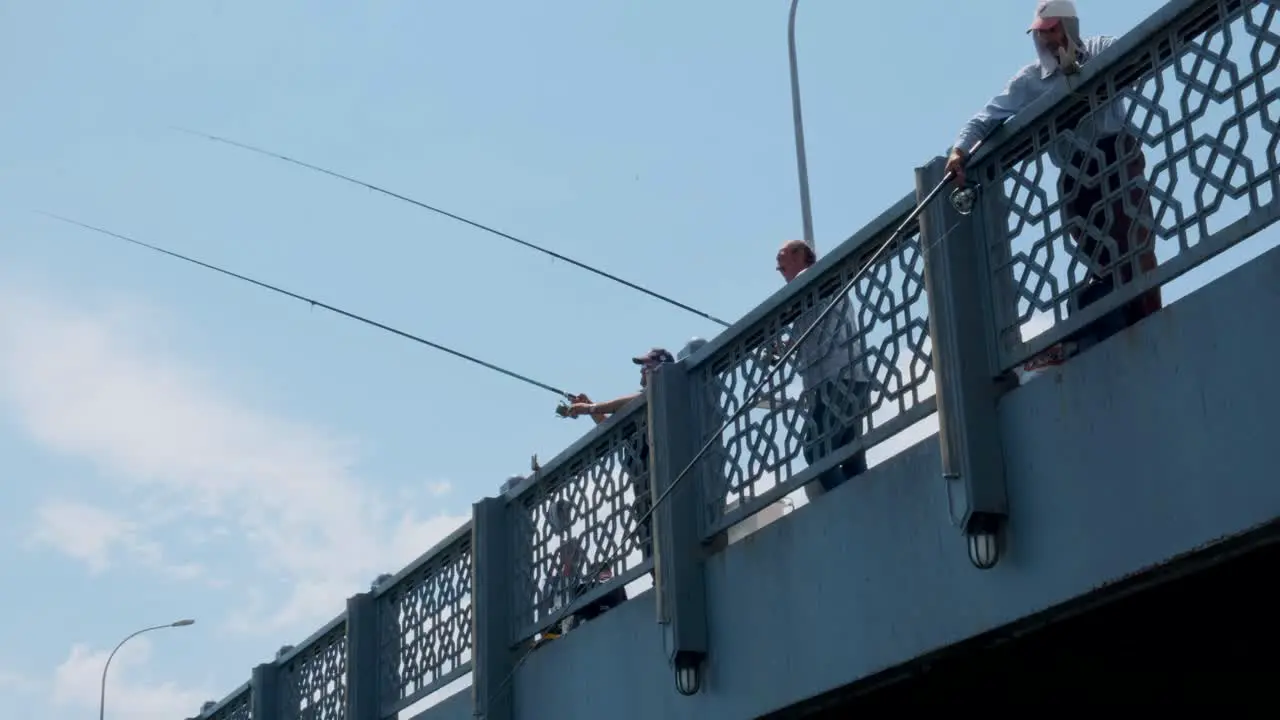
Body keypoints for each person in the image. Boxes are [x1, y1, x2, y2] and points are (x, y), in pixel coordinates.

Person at [946, 0, 1162, 371]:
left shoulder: (1099, 49)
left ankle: (1149, 318)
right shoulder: (1029, 81)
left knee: (1134, 239)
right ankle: (1113, 316)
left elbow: (1138, 55)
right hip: (1076, 175)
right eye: (1040, 33)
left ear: (1069, 27)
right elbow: (987, 117)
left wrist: (1081, 73)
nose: (1046, 39)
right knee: (1097, 249)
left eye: (1052, 29)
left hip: (1116, 158)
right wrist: (959, 150)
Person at [562, 348, 673, 573]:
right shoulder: (639, 406)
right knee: (648, 534)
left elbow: (621, 404)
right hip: (642, 483)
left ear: (661, 368)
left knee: (664, 530)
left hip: (661, 477)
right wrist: (591, 409)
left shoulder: (662, 389)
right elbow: (612, 425)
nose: (642, 372)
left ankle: (663, 571)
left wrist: (589, 408)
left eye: (647, 366)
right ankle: (655, 575)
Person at [775, 239, 872, 497]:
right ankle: (864, 500)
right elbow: (811, 330)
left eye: (781, 257)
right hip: (855, 377)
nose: (777, 266)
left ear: (799, 255)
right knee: (850, 453)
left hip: (834, 379)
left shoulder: (807, 278)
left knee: (817, 452)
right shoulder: (815, 286)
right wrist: (784, 348)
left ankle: (849, 504)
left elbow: (804, 324)